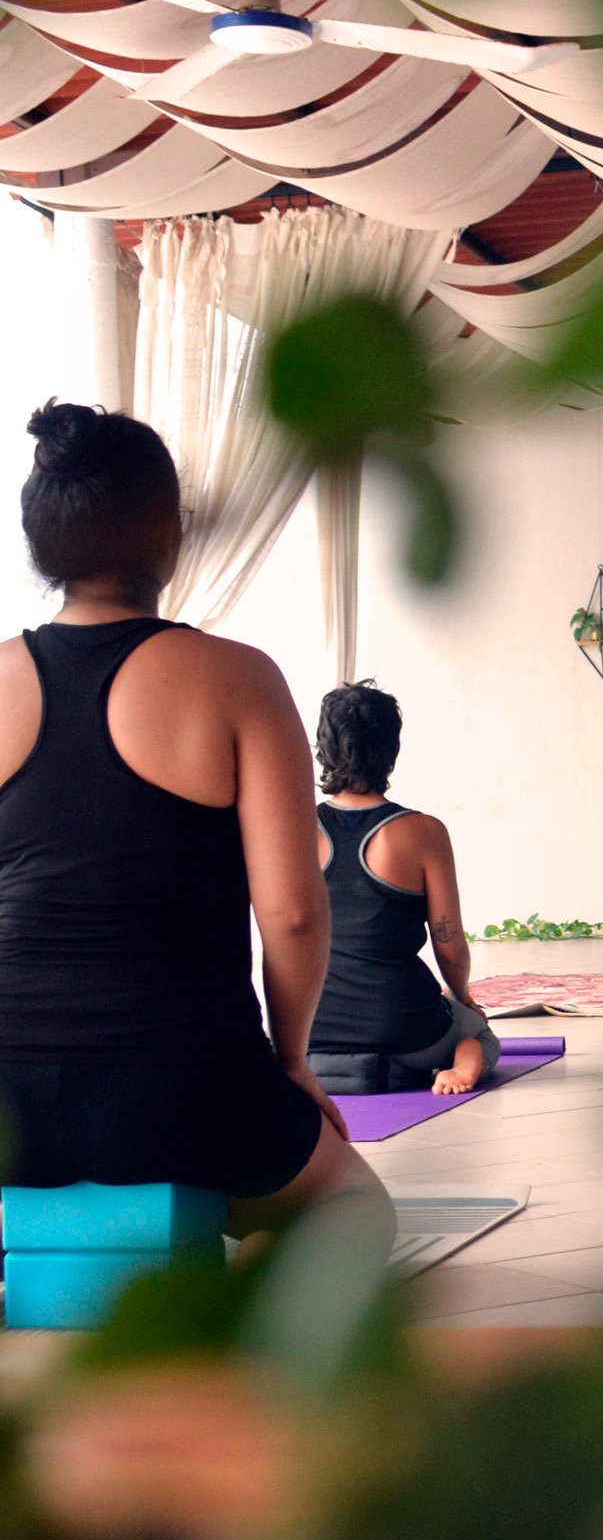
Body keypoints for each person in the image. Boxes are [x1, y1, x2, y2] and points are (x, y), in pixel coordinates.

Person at [0, 401, 392, 1246]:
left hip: (9, 1103)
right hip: (183, 1087)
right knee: (354, 1217)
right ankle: (222, 1363)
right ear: (171, 536)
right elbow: (291, 914)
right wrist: (290, 1063)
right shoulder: (237, 678)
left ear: (40, 547)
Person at [310, 681, 500, 1096]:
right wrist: (463, 998)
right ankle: (463, 1067)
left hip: (308, 1027)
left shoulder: (292, 829)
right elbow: (448, 943)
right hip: (402, 1027)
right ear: (391, 749)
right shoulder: (424, 832)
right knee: (479, 1032)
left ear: (322, 747)